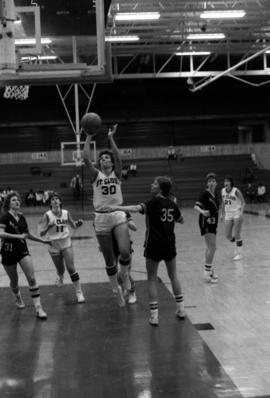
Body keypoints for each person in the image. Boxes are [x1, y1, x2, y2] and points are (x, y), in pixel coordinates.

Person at [103, 176, 186, 326]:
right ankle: (181, 309)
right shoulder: (172, 203)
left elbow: (135, 208)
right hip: (169, 244)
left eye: (154, 183)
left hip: (153, 244)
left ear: (160, 189)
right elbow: (181, 220)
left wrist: (116, 207)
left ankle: (154, 316)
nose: (151, 184)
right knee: (173, 275)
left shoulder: (153, 202)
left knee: (152, 278)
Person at [83, 123, 132, 307]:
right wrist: (88, 136)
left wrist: (111, 138)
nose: (104, 160)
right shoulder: (96, 176)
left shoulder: (117, 173)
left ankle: (124, 274)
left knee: (125, 252)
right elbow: (86, 159)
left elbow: (119, 158)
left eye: (107, 158)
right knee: (109, 259)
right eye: (102, 158)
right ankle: (116, 290)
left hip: (118, 214)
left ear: (111, 163)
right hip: (101, 218)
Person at [0, 191, 49, 319]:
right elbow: (1, 233)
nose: (17, 202)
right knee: (14, 281)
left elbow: (27, 235)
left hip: (22, 250)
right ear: (8, 204)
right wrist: (18, 236)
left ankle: (38, 308)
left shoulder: (22, 217)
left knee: (32, 278)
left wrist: (42, 240)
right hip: (7, 252)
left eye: (18, 200)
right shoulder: (4, 217)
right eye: (14, 200)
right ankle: (18, 296)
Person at [39, 192, 85, 303]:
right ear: (50, 203)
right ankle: (60, 276)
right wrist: (48, 226)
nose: (55, 200)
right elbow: (41, 233)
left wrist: (78, 224)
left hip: (66, 243)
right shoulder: (47, 215)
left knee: (71, 268)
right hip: (53, 245)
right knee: (61, 270)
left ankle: (79, 292)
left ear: (60, 202)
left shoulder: (66, 213)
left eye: (57, 199)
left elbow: (72, 225)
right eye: (53, 199)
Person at [194, 173, 219, 283]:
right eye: (209, 181)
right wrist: (202, 211)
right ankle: (206, 273)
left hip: (213, 223)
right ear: (207, 183)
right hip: (206, 222)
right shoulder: (205, 194)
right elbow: (196, 206)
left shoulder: (215, 194)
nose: (211, 183)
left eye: (213, 181)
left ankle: (209, 269)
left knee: (209, 247)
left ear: (216, 183)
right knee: (212, 247)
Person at [113, 211, 137, 304]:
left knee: (125, 272)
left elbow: (134, 227)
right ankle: (123, 289)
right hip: (113, 245)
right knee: (114, 272)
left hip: (125, 243)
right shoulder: (104, 213)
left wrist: (125, 221)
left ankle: (132, 292)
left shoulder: (123, 212)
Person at [221, 176, 246, 261]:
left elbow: (243, 202)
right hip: (228, 214)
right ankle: (237, 244)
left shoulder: (236, 191)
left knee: (237, 234)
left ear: (231, 182)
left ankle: (240, 253)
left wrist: (241, 213)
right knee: (228, 235)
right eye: (225, 181)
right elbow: (223, 203)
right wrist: (222, 214)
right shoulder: (223, 191)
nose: (226, 183)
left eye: (227, 181)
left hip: (236, 213)